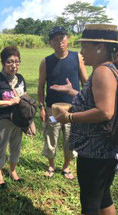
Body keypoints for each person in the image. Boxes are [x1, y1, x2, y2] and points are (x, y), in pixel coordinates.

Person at [50, 24, 118, 215]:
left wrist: (69, 118)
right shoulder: (111, 68)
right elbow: (100, 100)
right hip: (107, 148)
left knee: (90, 202)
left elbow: (104, 111)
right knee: (103, 196)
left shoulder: (102, 71)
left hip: (96, 149)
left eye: (85, 47)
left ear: (100, 46)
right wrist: (75, 93)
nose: (82, 52)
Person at [38, 26, 88, 179]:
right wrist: (41, 107)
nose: (59, 42)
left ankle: (66, 166)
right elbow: (41, 86)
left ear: (68, 39)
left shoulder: (77, 57)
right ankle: (51, 165)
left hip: (73, 109)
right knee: (51, 135)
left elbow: (85, 81)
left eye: (62, 38)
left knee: (70, 137)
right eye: (55, 39)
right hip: (53, 110)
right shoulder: (46, 62)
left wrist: (86, 102)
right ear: (50, 43)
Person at [0, 46, 26, 188]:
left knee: (16, 146)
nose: (14, 65)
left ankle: (13, 171)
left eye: (16, 61)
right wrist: (9, 102)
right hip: (2, 119)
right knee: (1, 147)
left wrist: (30, 121)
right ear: (3, 62)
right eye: (10, 62)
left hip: (18, 120)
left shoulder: (20, 79)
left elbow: (24, 99)